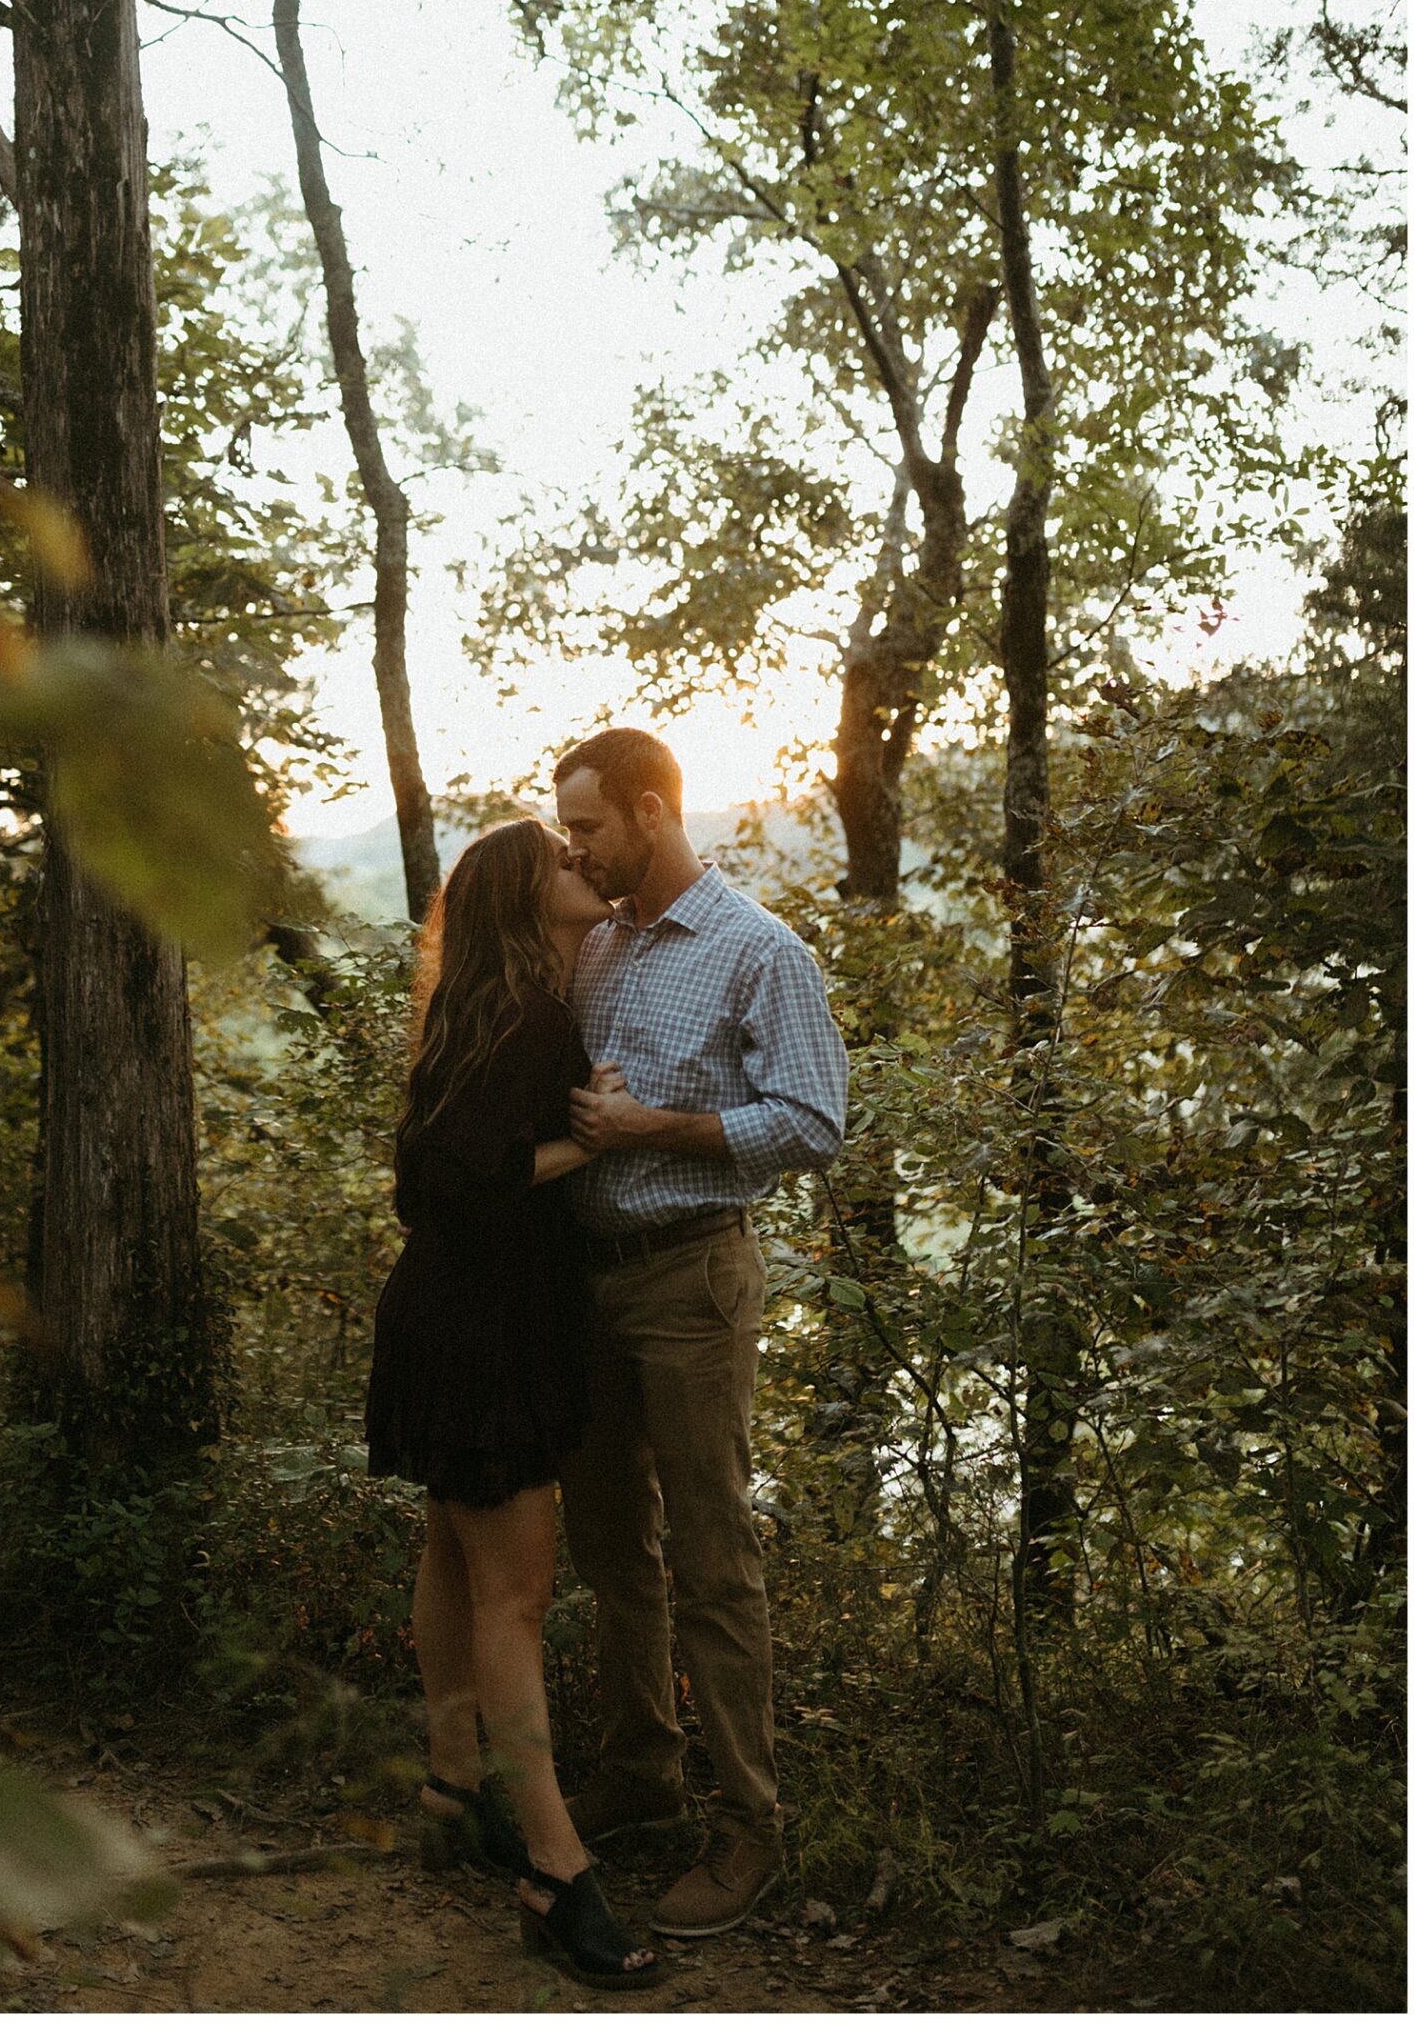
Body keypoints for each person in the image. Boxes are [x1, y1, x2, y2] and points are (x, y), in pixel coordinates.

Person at [554, 728, 849, 1939]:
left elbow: (811, 1117)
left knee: (715, 1558)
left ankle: (749, 1828)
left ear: (653, 810)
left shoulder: (755, 949)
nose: (572, 849)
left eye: (588, 828)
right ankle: (640, 1776)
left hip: (690, 1280)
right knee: (613, 1546)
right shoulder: (601, 945)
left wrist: (653, 1130)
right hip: (586, 1285)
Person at [364, 818, 661, 1987]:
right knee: (518, 1601)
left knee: (452, 1543)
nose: (580, 864)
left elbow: (418, 1179)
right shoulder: (527, 1018)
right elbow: (471, 1183)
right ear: (523, 900)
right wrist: (590, 1140)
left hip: (441, 1315)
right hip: (486, 1330)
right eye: (560, 859)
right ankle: (553, 1865)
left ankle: (449, 1782)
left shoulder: (465, 1011)